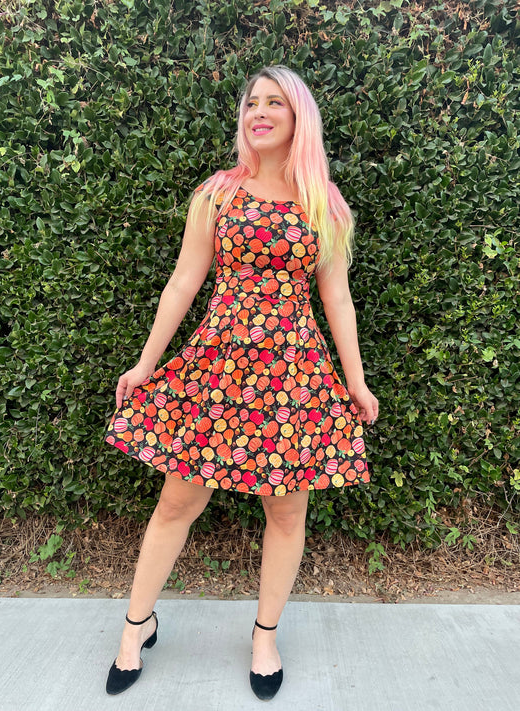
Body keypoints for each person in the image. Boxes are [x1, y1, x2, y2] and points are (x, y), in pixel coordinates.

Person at [104, 65, 378, 700]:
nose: (259, 112)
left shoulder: (323, 203)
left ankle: (264, 634)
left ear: (297, 117)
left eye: (274, 103)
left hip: (295, 376)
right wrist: (145, 364)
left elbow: (338, 300)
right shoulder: (219, 194)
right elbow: (183, 283)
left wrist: (356, 382)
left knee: (286, 511)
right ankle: (135, 625)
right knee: (177, 501)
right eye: (252, 102)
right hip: (218, 370)